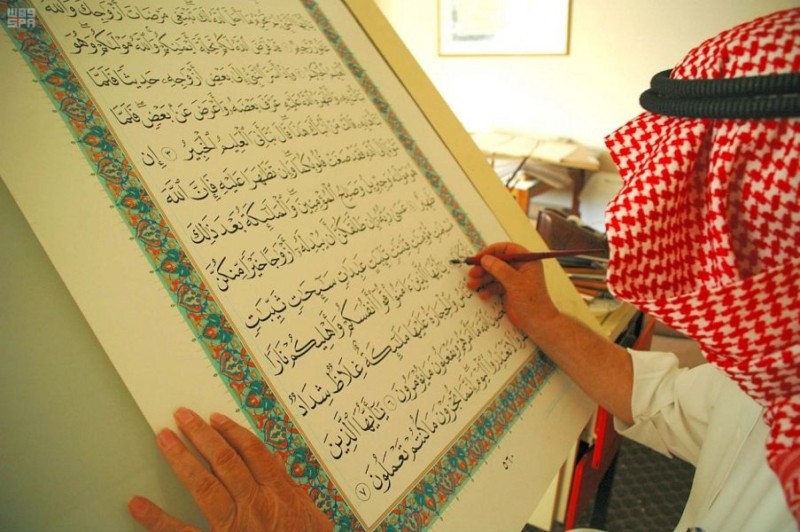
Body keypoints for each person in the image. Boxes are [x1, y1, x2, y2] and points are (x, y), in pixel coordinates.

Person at [129, 8, 798, 531]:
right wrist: (543, 318)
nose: (635, 223)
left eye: (702, 198)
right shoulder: (776, 376)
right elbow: (665, 400)